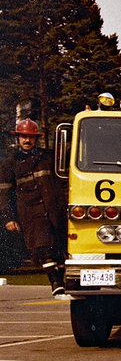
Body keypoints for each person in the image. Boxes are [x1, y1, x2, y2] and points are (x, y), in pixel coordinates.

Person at [0, 119, 67, 296]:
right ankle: (56, 282)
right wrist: (9, 218)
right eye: (23, 137)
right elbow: (5, 195)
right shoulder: (10, 164)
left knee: (59, 250)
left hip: (55, 210)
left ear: (36, 138)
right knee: (43, 248)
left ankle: (63, 280)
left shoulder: (48, 157)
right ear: (18, 138)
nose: (27, 140)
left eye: (30, 137)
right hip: (30, 214)